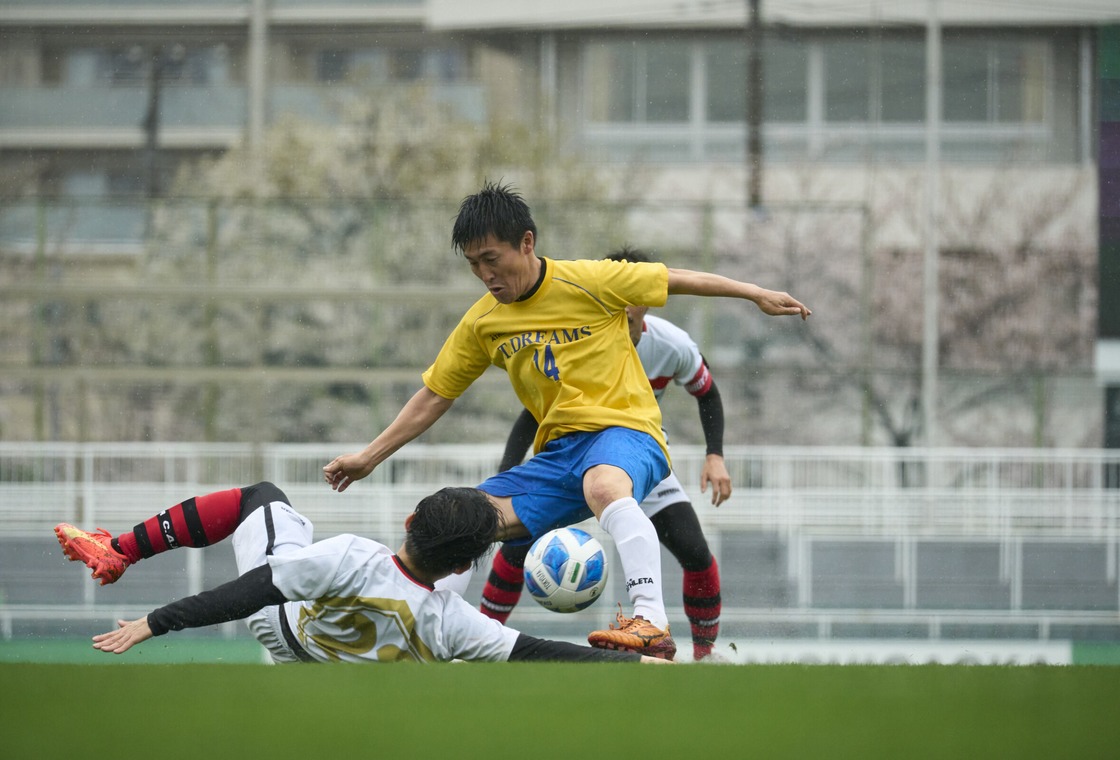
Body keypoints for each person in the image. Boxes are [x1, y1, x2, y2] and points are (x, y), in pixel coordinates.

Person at [323, 181, 810, 661]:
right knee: (457, 521)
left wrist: (755, 293)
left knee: (606, 488)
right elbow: (434, 395)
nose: (485, 274)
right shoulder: (482, 322)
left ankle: (652, 623)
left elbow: (677, 278)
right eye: (474, 264)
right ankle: (416, 629)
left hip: (628, 431)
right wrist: (369, 456)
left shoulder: (591, 280)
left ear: (527, 243)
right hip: (557, 454)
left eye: (492, 258)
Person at [53, 482, 669, 664]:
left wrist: (154, 624)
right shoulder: (455, 622)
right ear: (462, 564)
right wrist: (643, 663)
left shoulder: (350, 556)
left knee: (260, 497)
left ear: (407, 521)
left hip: (286, 632)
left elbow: (250, 592)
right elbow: (543, 654)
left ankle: (122, 550)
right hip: (345, 663)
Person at [480, 247, 730, 661]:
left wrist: (715, 455)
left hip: (640, 452)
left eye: (629, 304)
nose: (619, 311)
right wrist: (511, 473)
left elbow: (707, 393)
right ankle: (484, 635)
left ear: (644, 299)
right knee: (515, 542)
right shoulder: (576, 331)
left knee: (694, 551)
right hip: (573, 454)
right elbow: (532, 413)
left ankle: (704, 656)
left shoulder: (672, 345)